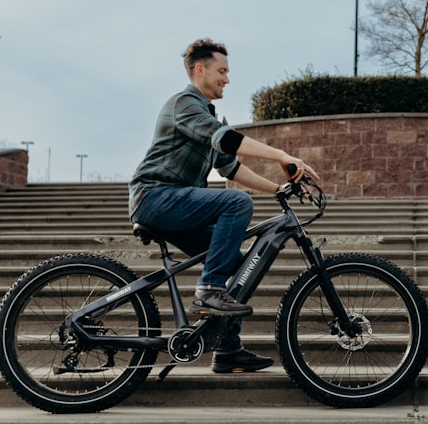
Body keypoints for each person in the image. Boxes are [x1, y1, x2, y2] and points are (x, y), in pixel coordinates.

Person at [128, 38, 319, 374]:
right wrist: (281, 155)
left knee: (237, 265)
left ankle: (227, 350)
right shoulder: (185, 103)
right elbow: (226, 139)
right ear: (199, 69)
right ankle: (209, 290)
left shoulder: (206, 111)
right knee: (236, 203)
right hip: (156, 197)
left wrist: (279, 189)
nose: (227, 79)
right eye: (222, 71)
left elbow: (229, 166)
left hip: (174, 202)